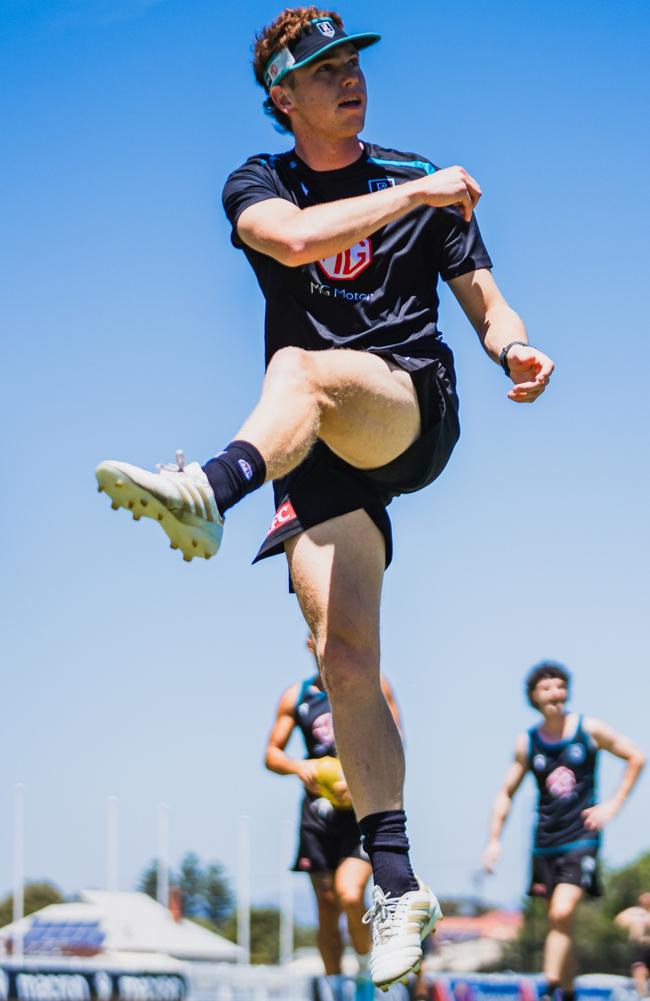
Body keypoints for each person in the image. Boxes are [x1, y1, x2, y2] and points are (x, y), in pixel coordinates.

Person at [96, 7, 555, 989]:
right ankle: (397, 883)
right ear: (281, 96)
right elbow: (295, 243)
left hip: (402, 406)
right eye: (322, 69)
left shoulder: (414, 177)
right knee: (342, 659)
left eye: (353, 62)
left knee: (302, 367)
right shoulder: (260, 184)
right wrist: (413, 197)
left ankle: (211, 486)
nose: (348, 78)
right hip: (313, 458)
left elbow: (485, 297)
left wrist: (513, 345)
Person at [482, 662, 645, 1001]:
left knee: (562, 912)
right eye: (546, 688)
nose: (555, 693)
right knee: (559, 925)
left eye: (560, 686)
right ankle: (567, 993)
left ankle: (550, 988)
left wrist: (613, 805)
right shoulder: (527, 743)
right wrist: (494, 841)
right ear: (533, 697)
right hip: (545, 842)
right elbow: (505, 792)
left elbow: (636, 757)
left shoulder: (589, 729)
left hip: (581, 837)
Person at [264, 635, 401, 984]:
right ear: (311, 644)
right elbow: (271, 754)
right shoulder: (297, 696)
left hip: (362, 810)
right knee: (326, 907)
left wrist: (361, 778)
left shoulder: (372, 684)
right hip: (318, 813)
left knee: (350, 892)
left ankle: (365, 969)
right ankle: (335, 985)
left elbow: (395, 742)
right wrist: (299, 767)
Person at [615, 892, 650, 997]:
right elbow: (619, 921)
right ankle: (644, 996)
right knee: (639, 970)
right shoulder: (634, 912)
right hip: (640, 947)